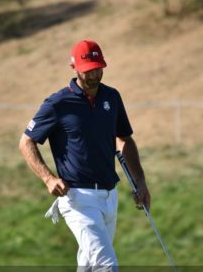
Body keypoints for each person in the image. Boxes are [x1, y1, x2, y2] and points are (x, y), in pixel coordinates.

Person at [19, 39, 151, 271]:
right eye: (88, 70)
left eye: (98, 68)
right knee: (106, 266)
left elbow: (124, 139)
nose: (95, 75)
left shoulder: (112, 97)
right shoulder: (57, 103)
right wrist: (48, 178)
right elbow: (26, 141)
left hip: (110, 196)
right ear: (74, 68)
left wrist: (140, 181)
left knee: (89, 266)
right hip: (78, 198)